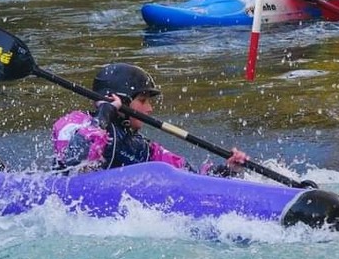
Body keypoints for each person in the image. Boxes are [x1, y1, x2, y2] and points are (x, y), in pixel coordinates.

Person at [52, 62, 248, 175]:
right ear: (119, 101)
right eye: (143, 100)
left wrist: (228, 170)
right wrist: (105, 112)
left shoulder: (142, 147)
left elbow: (188, 176)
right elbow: (75, 160)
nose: (149, 109)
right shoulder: (73, 123)